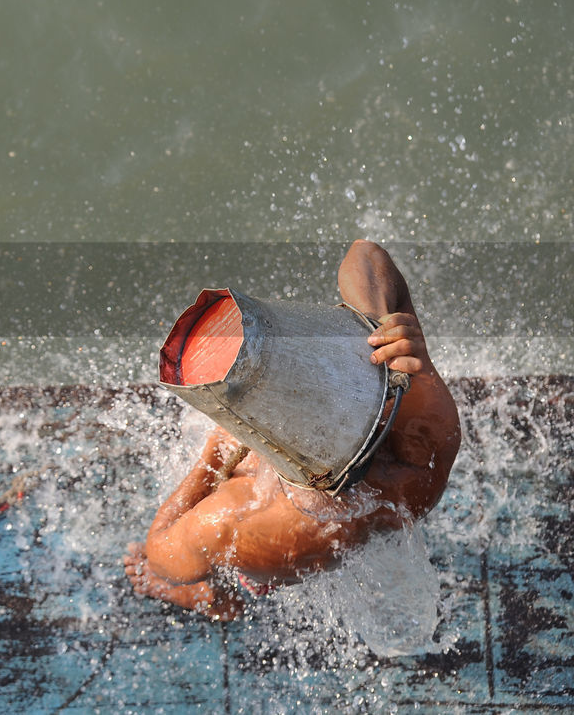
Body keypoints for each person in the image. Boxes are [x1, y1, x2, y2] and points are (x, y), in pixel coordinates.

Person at [123, 240, 461, 619]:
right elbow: (366, 253)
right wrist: (379, 324)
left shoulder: (248, 517)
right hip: (348, 499)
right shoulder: (412, 416)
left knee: (176, 565)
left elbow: (159, 553)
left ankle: (217, 600)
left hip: (285, 544)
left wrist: (212, 457)